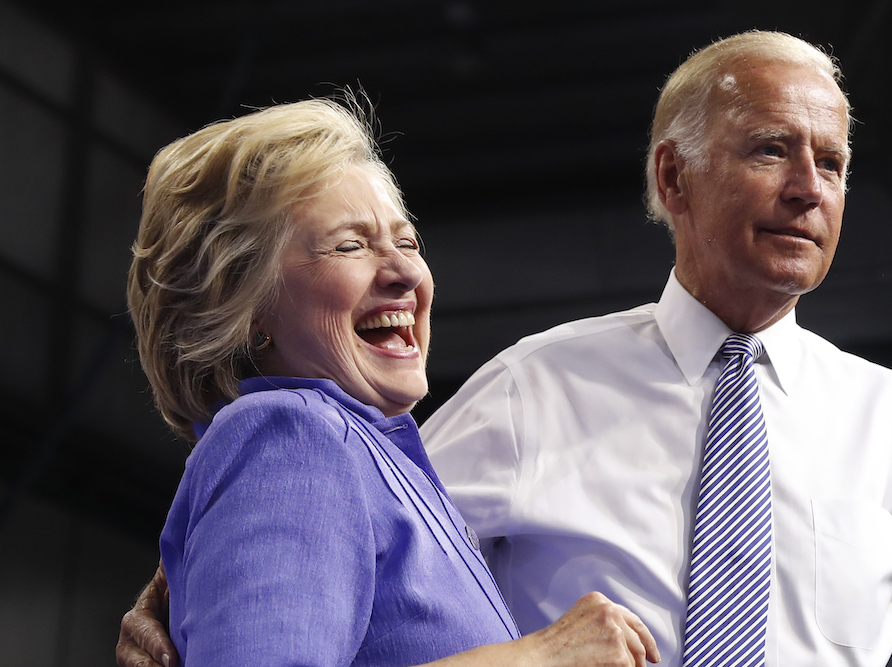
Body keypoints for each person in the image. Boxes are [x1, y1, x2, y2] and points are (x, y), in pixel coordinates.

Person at [118, 31, 892, 667]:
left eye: (836, 164)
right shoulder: (531, 391)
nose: (810, 188)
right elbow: (342, 530)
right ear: (673, 177)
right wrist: (188, 585)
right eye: (772, 149)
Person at [120, 97, 658, 667]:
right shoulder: (290, 435)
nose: (405, 272)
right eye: (349, 245)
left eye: (406, 242)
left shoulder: (369, 462)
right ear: (245, 306)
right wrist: (538, 658)